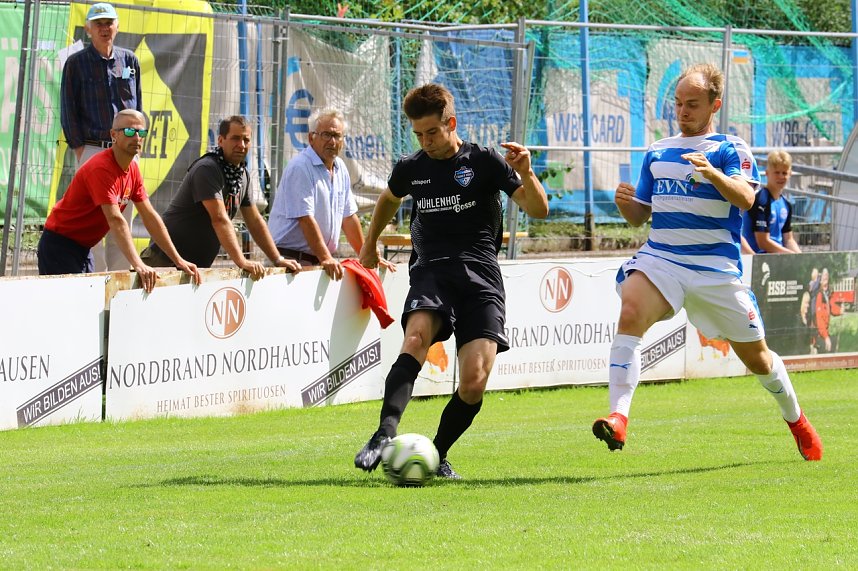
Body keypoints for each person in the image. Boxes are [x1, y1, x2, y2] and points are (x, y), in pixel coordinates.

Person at [591, 63, 822, 461]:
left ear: (714, 105)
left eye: (692, 104)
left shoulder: (730, 148)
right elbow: (640, 216)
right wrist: (624, 204)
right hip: (663, 260)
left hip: (716, 272)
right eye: (678, 103)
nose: (683, 111)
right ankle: (619, 418)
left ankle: (797, 421)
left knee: (760, 361)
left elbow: (746, 199)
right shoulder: (658, 151)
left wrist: (713, 174)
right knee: (630, 311)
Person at [353, 83, 549, 478]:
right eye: (418, 134)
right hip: (433, 269)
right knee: (415, 338)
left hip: (481, 275)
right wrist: (369, 243)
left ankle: (435, 454)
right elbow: (389, 199)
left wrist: (526, 173)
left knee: (474, 381)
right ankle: (383, 433)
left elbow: (538, 209)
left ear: (451, 123)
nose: (425, 142)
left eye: (432, 132)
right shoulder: (412, 168)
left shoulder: (485, 161)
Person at [38, 110, 201, 293]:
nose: (137, 137)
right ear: (113, 135)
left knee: (86, 307)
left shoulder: (132, 168)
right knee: (65, 310)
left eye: (142, 132)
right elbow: (116, 220)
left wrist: (178, 260)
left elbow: (150, 216)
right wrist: (138, 264)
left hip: (83, 248)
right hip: (59, 245)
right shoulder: (101, 168)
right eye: (130, 132)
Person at [140, 116, 301, 279]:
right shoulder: (207, 169)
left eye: (246, 140)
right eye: (235, 138)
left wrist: (277, 259)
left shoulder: (242, 174)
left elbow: (255, 221)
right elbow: (219, 219)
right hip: (163, 263)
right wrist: (242, 261)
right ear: (220, 140)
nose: (242, 145)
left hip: (195, 269)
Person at [60, 2, 143, 272]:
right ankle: (94, 280)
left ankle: (119, 282)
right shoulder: (76, 63)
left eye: (109, 23)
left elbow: (137, 105)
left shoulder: (130, 60)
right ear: (88, 29)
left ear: (117, 26)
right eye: (99, 24)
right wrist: (80, 149)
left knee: (123, 219)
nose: (105, 28)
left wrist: (136, 140)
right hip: (93, 151)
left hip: (126, 151)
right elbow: (68, 108)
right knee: (93, 220)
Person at [268, 108, 395, 281]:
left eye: (337, 136)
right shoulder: (300, 167)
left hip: (316, 260)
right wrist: (326, 258)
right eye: (326, 135)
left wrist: (366, 255)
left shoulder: (340, 167)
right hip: (291, 260)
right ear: (311, 138)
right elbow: (305, 219)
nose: (332, 141)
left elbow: (348, 218)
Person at [741, 150, 801, 254]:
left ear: (790, 174)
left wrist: (801, 258)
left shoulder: (786, 205)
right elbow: (763, 242)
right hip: (759, 259)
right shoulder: (761, 201)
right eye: (777, 172)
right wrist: (789, 255)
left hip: (778, 259)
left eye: (784, 173)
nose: (781, 177)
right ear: (767, 173)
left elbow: (788, 239)